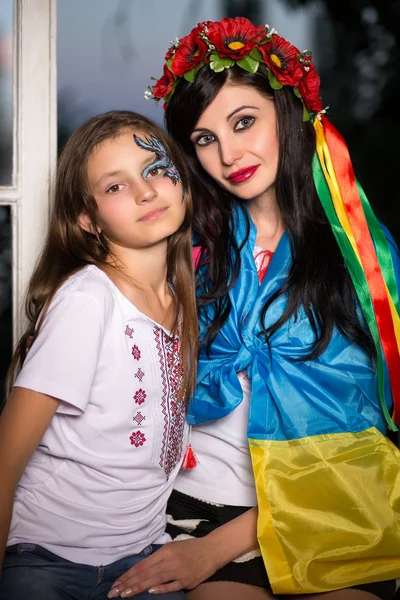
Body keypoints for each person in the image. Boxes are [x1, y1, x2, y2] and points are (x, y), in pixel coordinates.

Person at [109, 17, 400, 600]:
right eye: (205, 139)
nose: (229, 154)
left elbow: (364, 449)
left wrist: (212, 554)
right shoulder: (189, 254)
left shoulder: (361, 258)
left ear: (288, 115)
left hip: (336, 511)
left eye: (244, 122)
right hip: (205, 510)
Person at [0, 110, 199, 600]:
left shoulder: (183, 297)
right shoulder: (88, 300)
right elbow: (5, 462)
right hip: (48, 558)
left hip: (141, 559)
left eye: (155, 169)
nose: (146, 190)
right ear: (87, 219)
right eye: (115, 186)